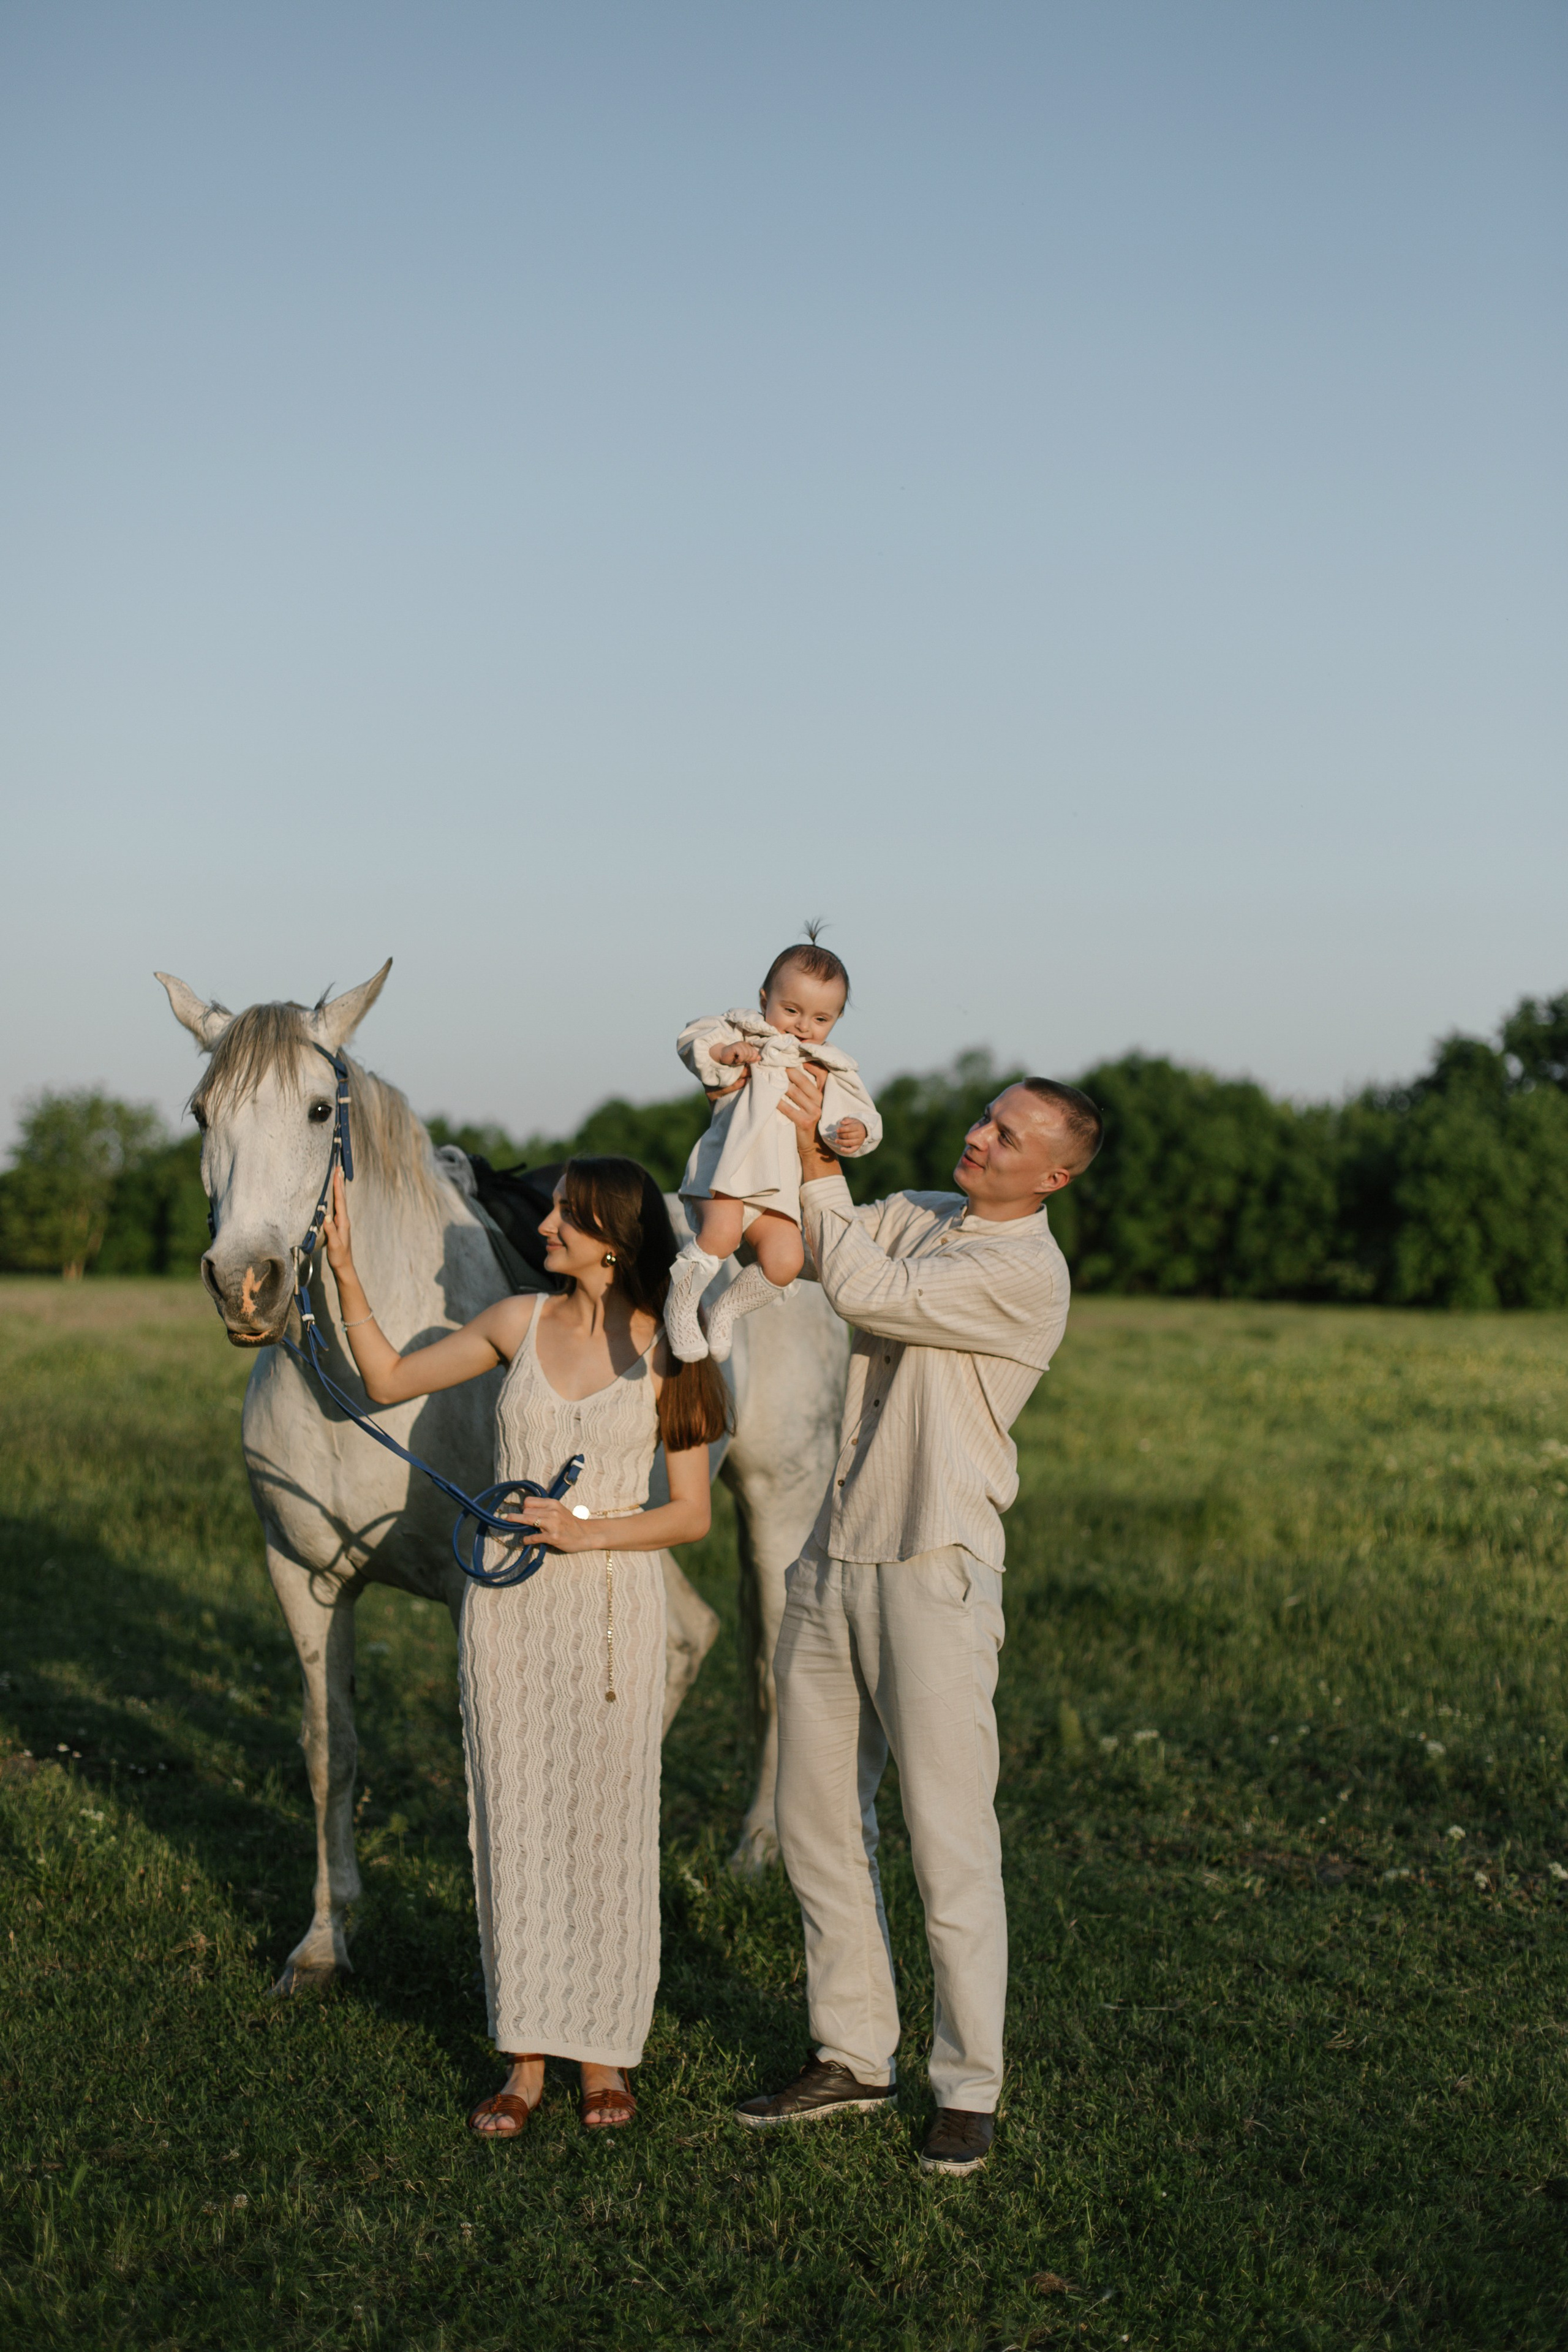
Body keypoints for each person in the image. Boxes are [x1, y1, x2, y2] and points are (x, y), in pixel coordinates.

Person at [734, 1071, 1104, 2175]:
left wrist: (818, 1160)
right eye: (986, 1118)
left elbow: (861, 1289)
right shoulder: (928, 1213)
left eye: (1008, 1134)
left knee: (950, 1841)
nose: (980, 1137)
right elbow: (809, 1242)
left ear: (1059, 1173)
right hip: (832, 1552)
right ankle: (851, 2055)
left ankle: (968, 2089)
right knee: (813, 1822)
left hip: (933, 1567)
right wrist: (769, 1104)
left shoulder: (1026, 1270)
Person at [319, 1154, 728, 2136]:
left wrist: (586, 1529)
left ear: (614, 1241)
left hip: (610, 1616)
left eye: (565, 1218)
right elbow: (382, 1380)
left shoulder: (683, 1352)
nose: (543, 1228)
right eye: (550, 1214)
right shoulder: (517, 1321)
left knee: (608, 1825)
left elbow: (691, 1518)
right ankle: (524, 2056)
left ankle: (605, 2055)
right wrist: (340, 1270)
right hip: (507, 1617)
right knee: (513, 1820)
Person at [665, 926, 881, 1365]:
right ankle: (681, 1303)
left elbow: (861, 1112)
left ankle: (725, 1310)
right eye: (791, 1010)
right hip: (730, 1170)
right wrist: (727, 1052)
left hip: (780, 1189)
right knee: (721, 1234)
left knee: (785, 1261)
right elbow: (693, 1039)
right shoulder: (745, 1034)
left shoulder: (830, 1067)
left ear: (836, 1021)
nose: (803, 1026)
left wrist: (858, 1128)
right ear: (765, 998)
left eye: (821, 1020)